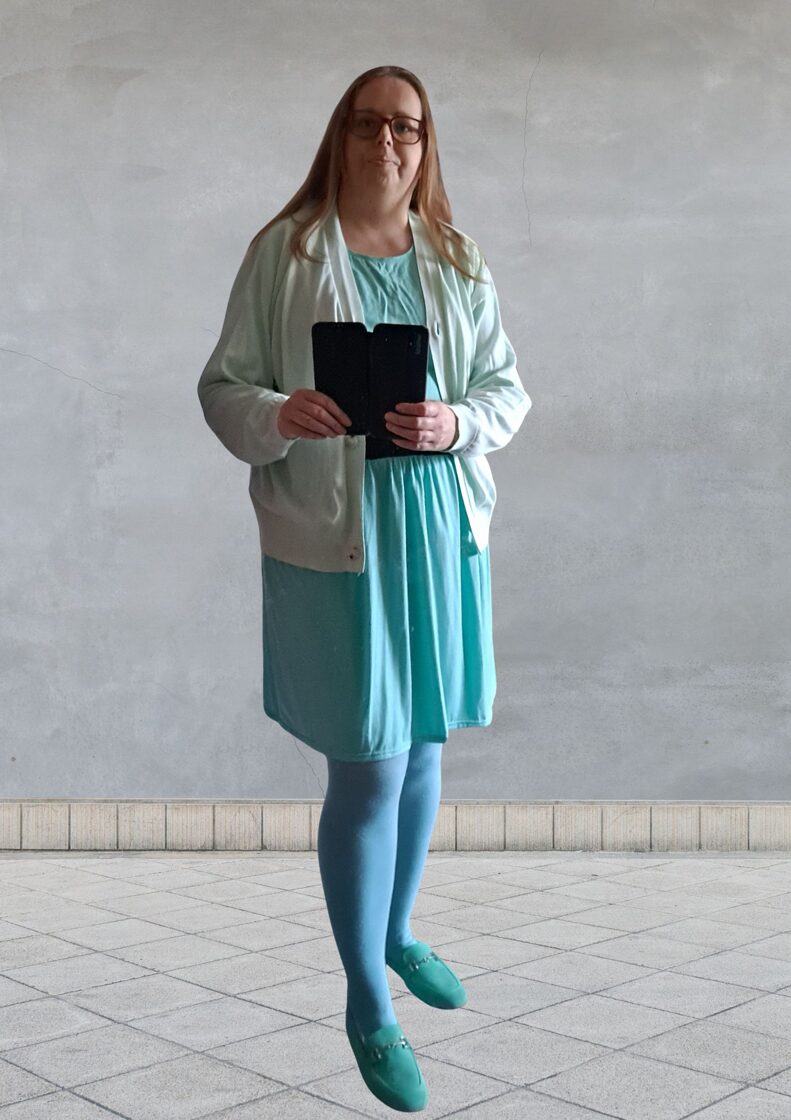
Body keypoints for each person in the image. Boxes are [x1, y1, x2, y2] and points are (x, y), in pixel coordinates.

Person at [197, 64, 531, 1113]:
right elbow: (222, 386)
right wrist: (275, 412)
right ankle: (366, 1003)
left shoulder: (457, 258)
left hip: (436, 532)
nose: (388, 142)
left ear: (426, 147)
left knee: (424, 747)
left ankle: (395, 930)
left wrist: (453, 421)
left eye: (407, 127)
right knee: (370, 765)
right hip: (338, 538)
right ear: (338, 135)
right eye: (368, 122)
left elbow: (505, 390)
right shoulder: (286, 252)